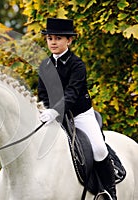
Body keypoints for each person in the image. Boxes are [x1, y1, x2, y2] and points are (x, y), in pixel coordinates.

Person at [37, 18, 117, 200]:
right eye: (50, 38)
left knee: (98, 148)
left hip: (80, 115)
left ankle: (109, 192)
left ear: (69, 40)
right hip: (53, 116)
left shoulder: (77, 65)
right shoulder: (45, 65)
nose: (53, 42)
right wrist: (44, 109)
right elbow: (42, 92)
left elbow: (72, 93)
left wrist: (55, 111)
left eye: (58, 38)